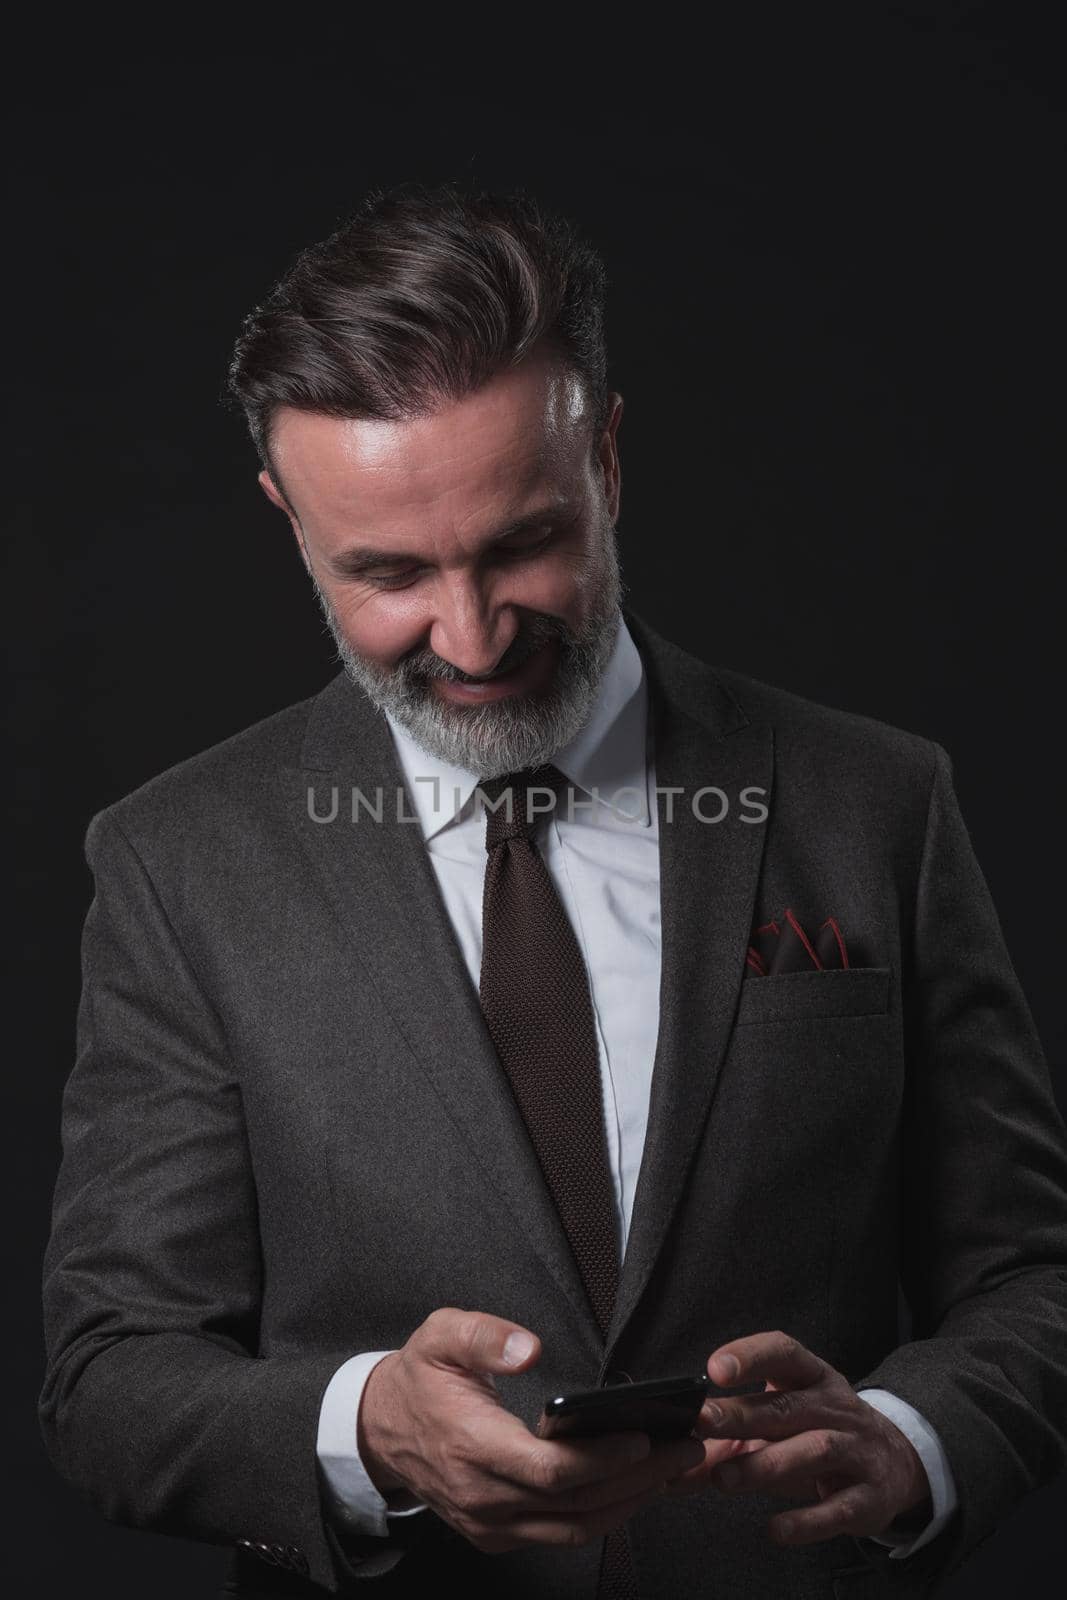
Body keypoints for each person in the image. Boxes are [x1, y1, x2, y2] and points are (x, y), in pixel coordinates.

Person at [39, 181, 1067, 1599]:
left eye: (522, 543)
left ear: (611, 461)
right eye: (387, 573)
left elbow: (1034, 1273)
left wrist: (908, 1440)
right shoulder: (177, 862)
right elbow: (109, 1379)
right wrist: (367, 1431)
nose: (468, 637)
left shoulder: (879, 802)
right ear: (286, 516)